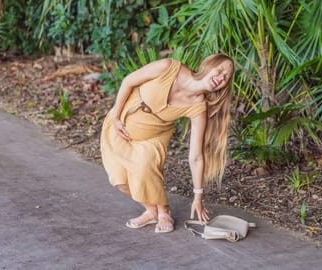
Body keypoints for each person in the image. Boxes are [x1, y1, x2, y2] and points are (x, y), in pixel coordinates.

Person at [100, 53, 234, 233]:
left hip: (153, 137)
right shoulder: (168, 67)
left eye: (226, 77)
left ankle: (164, 212)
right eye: (220, 70)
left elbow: (195, 156)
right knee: (121, 182)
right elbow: (128, 81)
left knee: (144, 168)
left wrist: (198, 197)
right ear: (209, 66)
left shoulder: (198, 107)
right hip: (120, 124)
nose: (221, 78)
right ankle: (151, 211)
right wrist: (116, 116)